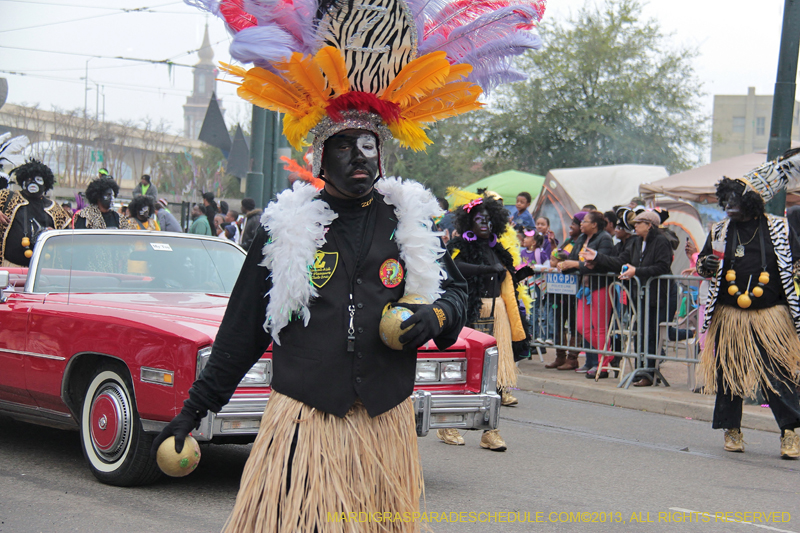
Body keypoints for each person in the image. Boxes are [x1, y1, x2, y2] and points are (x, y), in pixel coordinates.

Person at [694, 149, 800, 458]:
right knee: (729, 374)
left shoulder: (779, 228)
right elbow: (702, 264)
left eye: (735, 201)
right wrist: (706, 267)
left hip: (772, 316)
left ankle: (791, 433)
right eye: (726, 200)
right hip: (730, 316)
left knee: (779, 374)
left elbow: (796, 262)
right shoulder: (720, 230)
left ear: (753, 202)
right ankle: (732, 430)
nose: (728, 206)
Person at [444, 194, 531, 450]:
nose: (485, 223)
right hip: (471, 315)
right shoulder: (460, 244)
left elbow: (505, 277)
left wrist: (516, 275)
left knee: (492, 377)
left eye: (489, 219)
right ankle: (448, 425)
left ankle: (490, 432)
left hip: (499, 315)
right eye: (479, 219)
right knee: (462, 371)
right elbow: (454, 267)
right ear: (469, 221)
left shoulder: (496, 248)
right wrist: (485, 270)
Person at [583, 210, 674, 386]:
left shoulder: (661, 241)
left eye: (639, 223)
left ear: (649, 225)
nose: (635, 226)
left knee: (651, 334)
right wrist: (597, 257)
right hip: (639, 295)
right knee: (640, 334)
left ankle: (649, 373)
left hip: (657, 295)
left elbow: (662, 266)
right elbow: (620, 261)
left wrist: (636, 271)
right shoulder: (636, 242)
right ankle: (641, 370)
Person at [557, 211, 614, 376]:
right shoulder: (582, 238)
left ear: (594, 224)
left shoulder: (604, 239)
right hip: (584, 288)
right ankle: (608, 355)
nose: (581, 224)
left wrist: (575, 264)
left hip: (600, 287)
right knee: (582, 326)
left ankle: (603, 364)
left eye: (585, 221)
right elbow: (577, 260)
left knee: (600, 328)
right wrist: (567, 265)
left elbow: (599, 263)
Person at [0, 160, 70, 267]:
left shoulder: (55, 209)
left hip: (41, 271)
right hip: (8, 266)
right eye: (29, 179)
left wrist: (56, 235)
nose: (33, 183)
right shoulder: (6, 197)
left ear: (45, 184)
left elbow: (68, 242)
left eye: (38, 180)